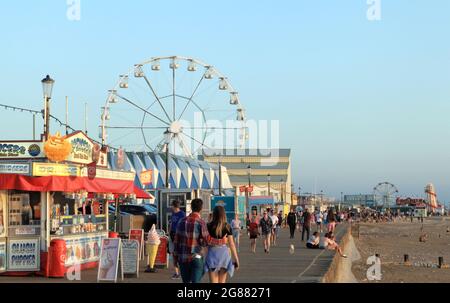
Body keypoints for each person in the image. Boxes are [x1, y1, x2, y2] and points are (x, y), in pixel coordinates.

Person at [173, 198, 209, 283]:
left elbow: (176, 241)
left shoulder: (181, 221)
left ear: (191, 208)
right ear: (201, 209)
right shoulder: (201, 222)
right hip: (196, 257)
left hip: (183, 258)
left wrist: (175, 259)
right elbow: (206, 241)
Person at [204, 206, 240, 283]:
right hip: (224, 255)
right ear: (223, 214)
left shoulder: (208, 226)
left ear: (214, 214)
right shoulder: (227, 226)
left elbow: (206, 243)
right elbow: (231, 244)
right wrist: (236, 259)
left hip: (212, 254)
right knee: (222, 282)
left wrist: (205, 257)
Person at [169, 200, 185, 280]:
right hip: (172, 234)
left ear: (174, 206)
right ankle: (176, 273)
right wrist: (169, 232)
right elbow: (171, 223)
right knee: (173, 253)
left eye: (172, 205)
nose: (171, 207)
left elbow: (183, 225)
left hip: (178, 235)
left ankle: (181, 271)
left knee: (178, 253)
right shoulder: (173, 214)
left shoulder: (182, 214)